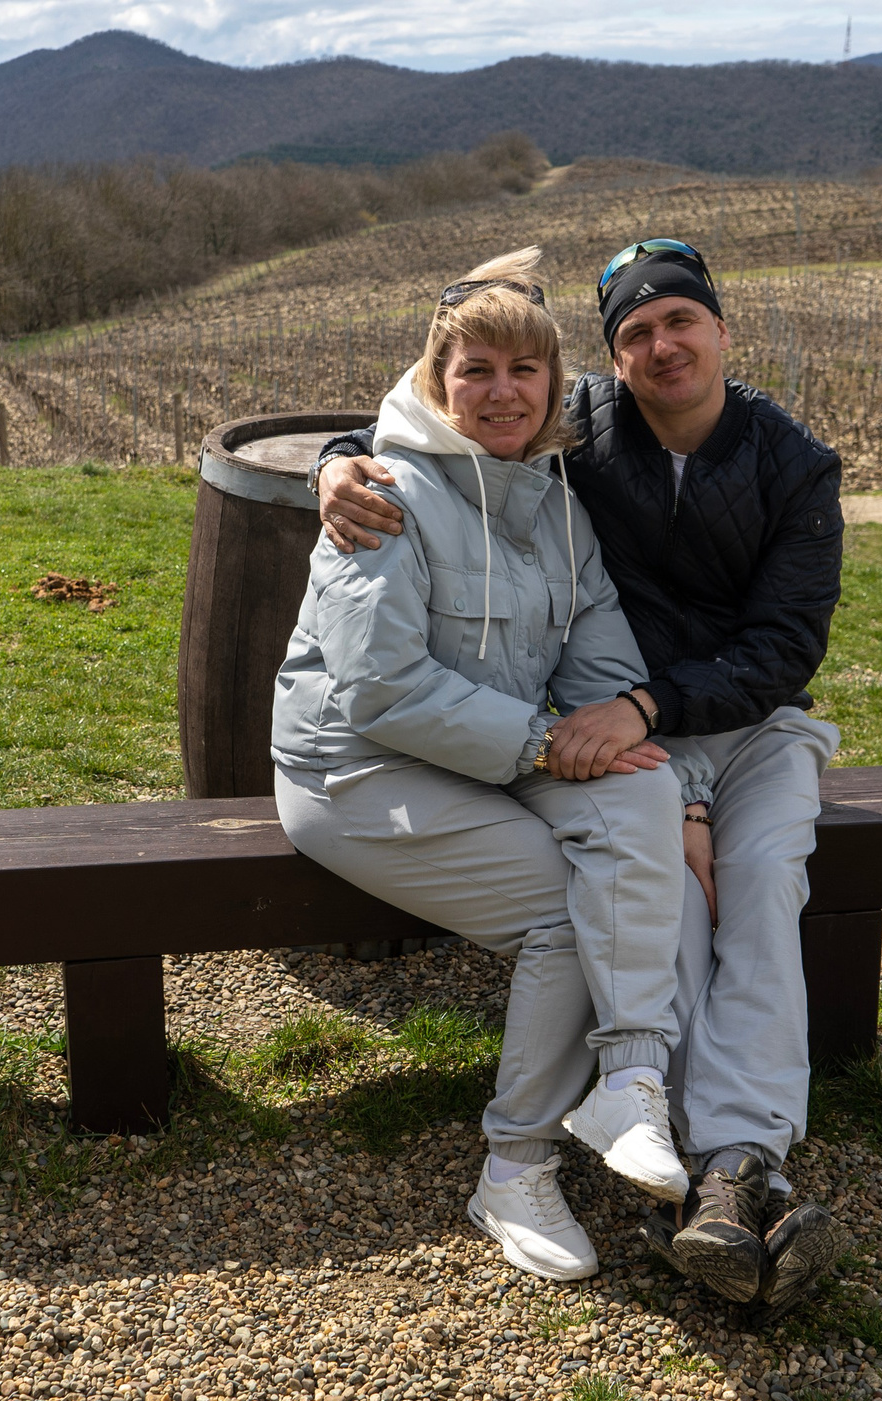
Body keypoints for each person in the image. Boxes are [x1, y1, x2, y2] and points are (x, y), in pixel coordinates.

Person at [311, 238, 848, 1314]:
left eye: (679, 321)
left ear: (721, 330)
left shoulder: (793, 463)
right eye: (636, 332)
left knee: (762, 883)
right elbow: (440, 403)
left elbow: (783, 648)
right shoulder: (582, 430)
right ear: (610, 357)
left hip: (730, 722)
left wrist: (659, 743)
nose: (661, 346)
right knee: (675, 905)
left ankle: (739, 1160)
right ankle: (684, 1146)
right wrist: (336, 457)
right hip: (604, 735)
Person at [271, 247, 704, 1285]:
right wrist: (543, 744)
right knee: (564, 903)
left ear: (556, 387)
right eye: (477, 370)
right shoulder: (379, 493)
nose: (502, 391)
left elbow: (600, 666)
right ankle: (513, 1165)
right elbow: (379, 690)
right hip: (361, 771)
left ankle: (631, 1078)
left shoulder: (557, 507)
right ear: (436, 379)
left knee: (642, 783)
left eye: (525, 372)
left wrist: (640, 765)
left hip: (495, 746)